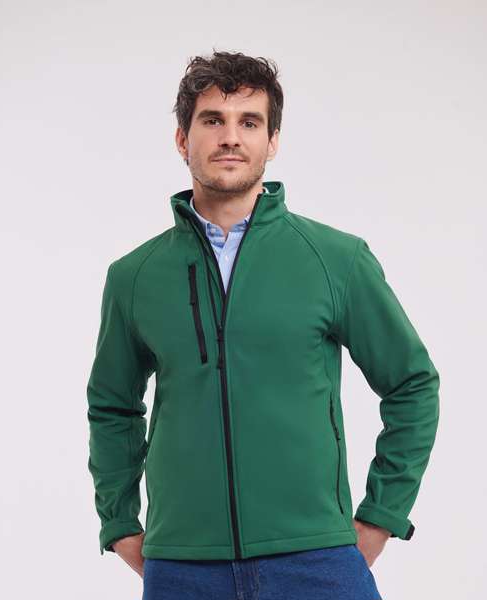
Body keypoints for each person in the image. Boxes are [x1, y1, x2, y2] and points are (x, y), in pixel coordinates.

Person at [86, 50, 440, 600]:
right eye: (212, 120)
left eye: (249, 123)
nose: (231, 137)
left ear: (272, 141)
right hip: (184, 565)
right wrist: (119, 522)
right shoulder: (135, 276)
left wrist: (381, 515)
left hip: (317, 558)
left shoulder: (335, 259)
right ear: (182, 139)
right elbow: (112, 405)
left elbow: (412, 383)